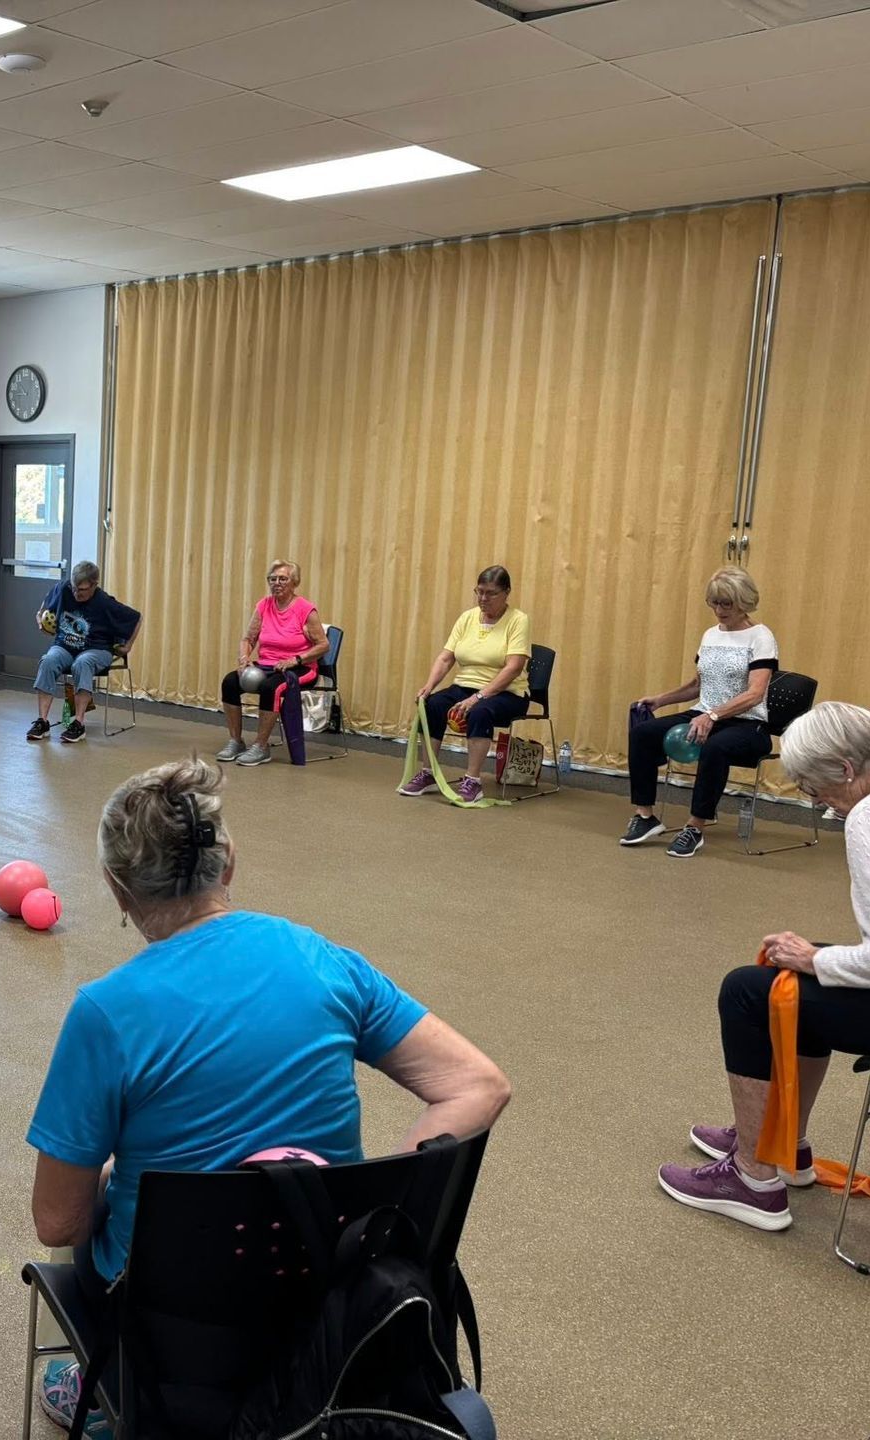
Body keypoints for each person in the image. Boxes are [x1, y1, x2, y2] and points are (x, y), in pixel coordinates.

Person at [26, 758, 511, 1431]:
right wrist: (380, 1198)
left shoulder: (105, 1013)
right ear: (228, 863)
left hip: (176, 1317)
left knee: (88, 1210)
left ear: (116, 889)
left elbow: (58, 1222)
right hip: (322, 1275)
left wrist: (108, 1177)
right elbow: (478, 1084)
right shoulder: (320, 959)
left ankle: (107, 1388)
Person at [658, 703, 870, 1231]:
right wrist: (818, 963)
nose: (819, 805)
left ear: (844, 769)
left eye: (813, 789)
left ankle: (751, 1179)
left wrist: (817, 958)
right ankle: (781, 1142)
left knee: (749, 990)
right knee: (797, 979)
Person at [620, 567, 777, 858]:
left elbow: (755, 694)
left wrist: (713, 716)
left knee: (714, 747)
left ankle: (695, 827)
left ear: (743, 601)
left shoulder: (761, 637)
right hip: (704, 713)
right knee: (643, 733)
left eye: (726, 603)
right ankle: (645, 817)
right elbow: (697, 685)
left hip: (748, 725)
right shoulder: (710, 635)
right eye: (714, 603)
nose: (719, 610)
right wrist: (660, 700)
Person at [400, 565, 531, 803]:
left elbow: (514, 667)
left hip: (507, 693)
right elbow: (445, 657)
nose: (483, 598)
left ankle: (473, 780)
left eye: (491, 593)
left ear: (506, 593)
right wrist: (429, 686)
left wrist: (479, 696)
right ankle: (428, 773)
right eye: (479, 591)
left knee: (480, 712)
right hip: (465, 686)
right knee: (433, 705)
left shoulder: (518, 620)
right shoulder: (467, 617)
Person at [215, 560, 328, 767]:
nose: (277, 583)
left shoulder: (306, 609)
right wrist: (244, 660)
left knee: (271, 688)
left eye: (282, 579)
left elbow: (323, 645)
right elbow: (248, 639)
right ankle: (236, 741)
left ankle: (261, 746)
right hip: (268, 664)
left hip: (301, 667)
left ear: (294, 582)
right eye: (272, 579)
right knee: (230, 682)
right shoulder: (264, 605)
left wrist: (295, 660)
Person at [28, 561, 141, 746]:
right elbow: (44, 605)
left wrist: (128, 646)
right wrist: (40, 618)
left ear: (94, 584)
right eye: (74, 588)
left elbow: (136, 618)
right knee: (47, 661)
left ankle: (78, 724)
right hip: (64, 646)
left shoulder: (104, 602)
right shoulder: (64, 589)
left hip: (97, 650)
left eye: (81, 590)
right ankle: (42, 722)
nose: (76, 594)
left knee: (82, 663)